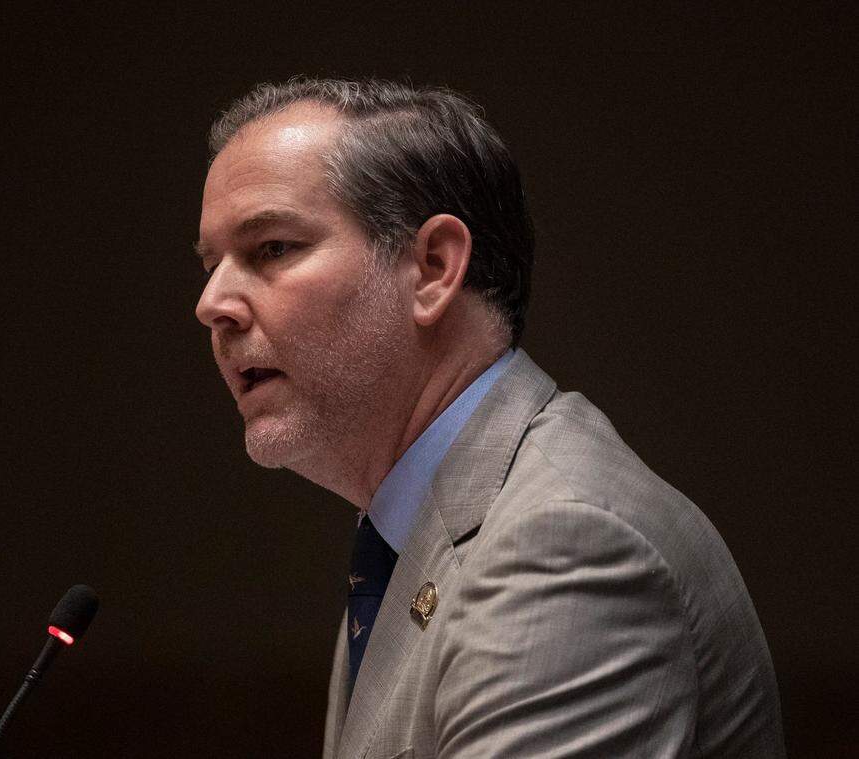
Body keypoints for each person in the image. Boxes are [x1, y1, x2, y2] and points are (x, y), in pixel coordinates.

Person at [193, 78, 784, 758]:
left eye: (271, 248)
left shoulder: (560, 544)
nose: (212, 303)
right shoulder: (404, 539)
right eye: (210, 266)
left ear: (433, 267)